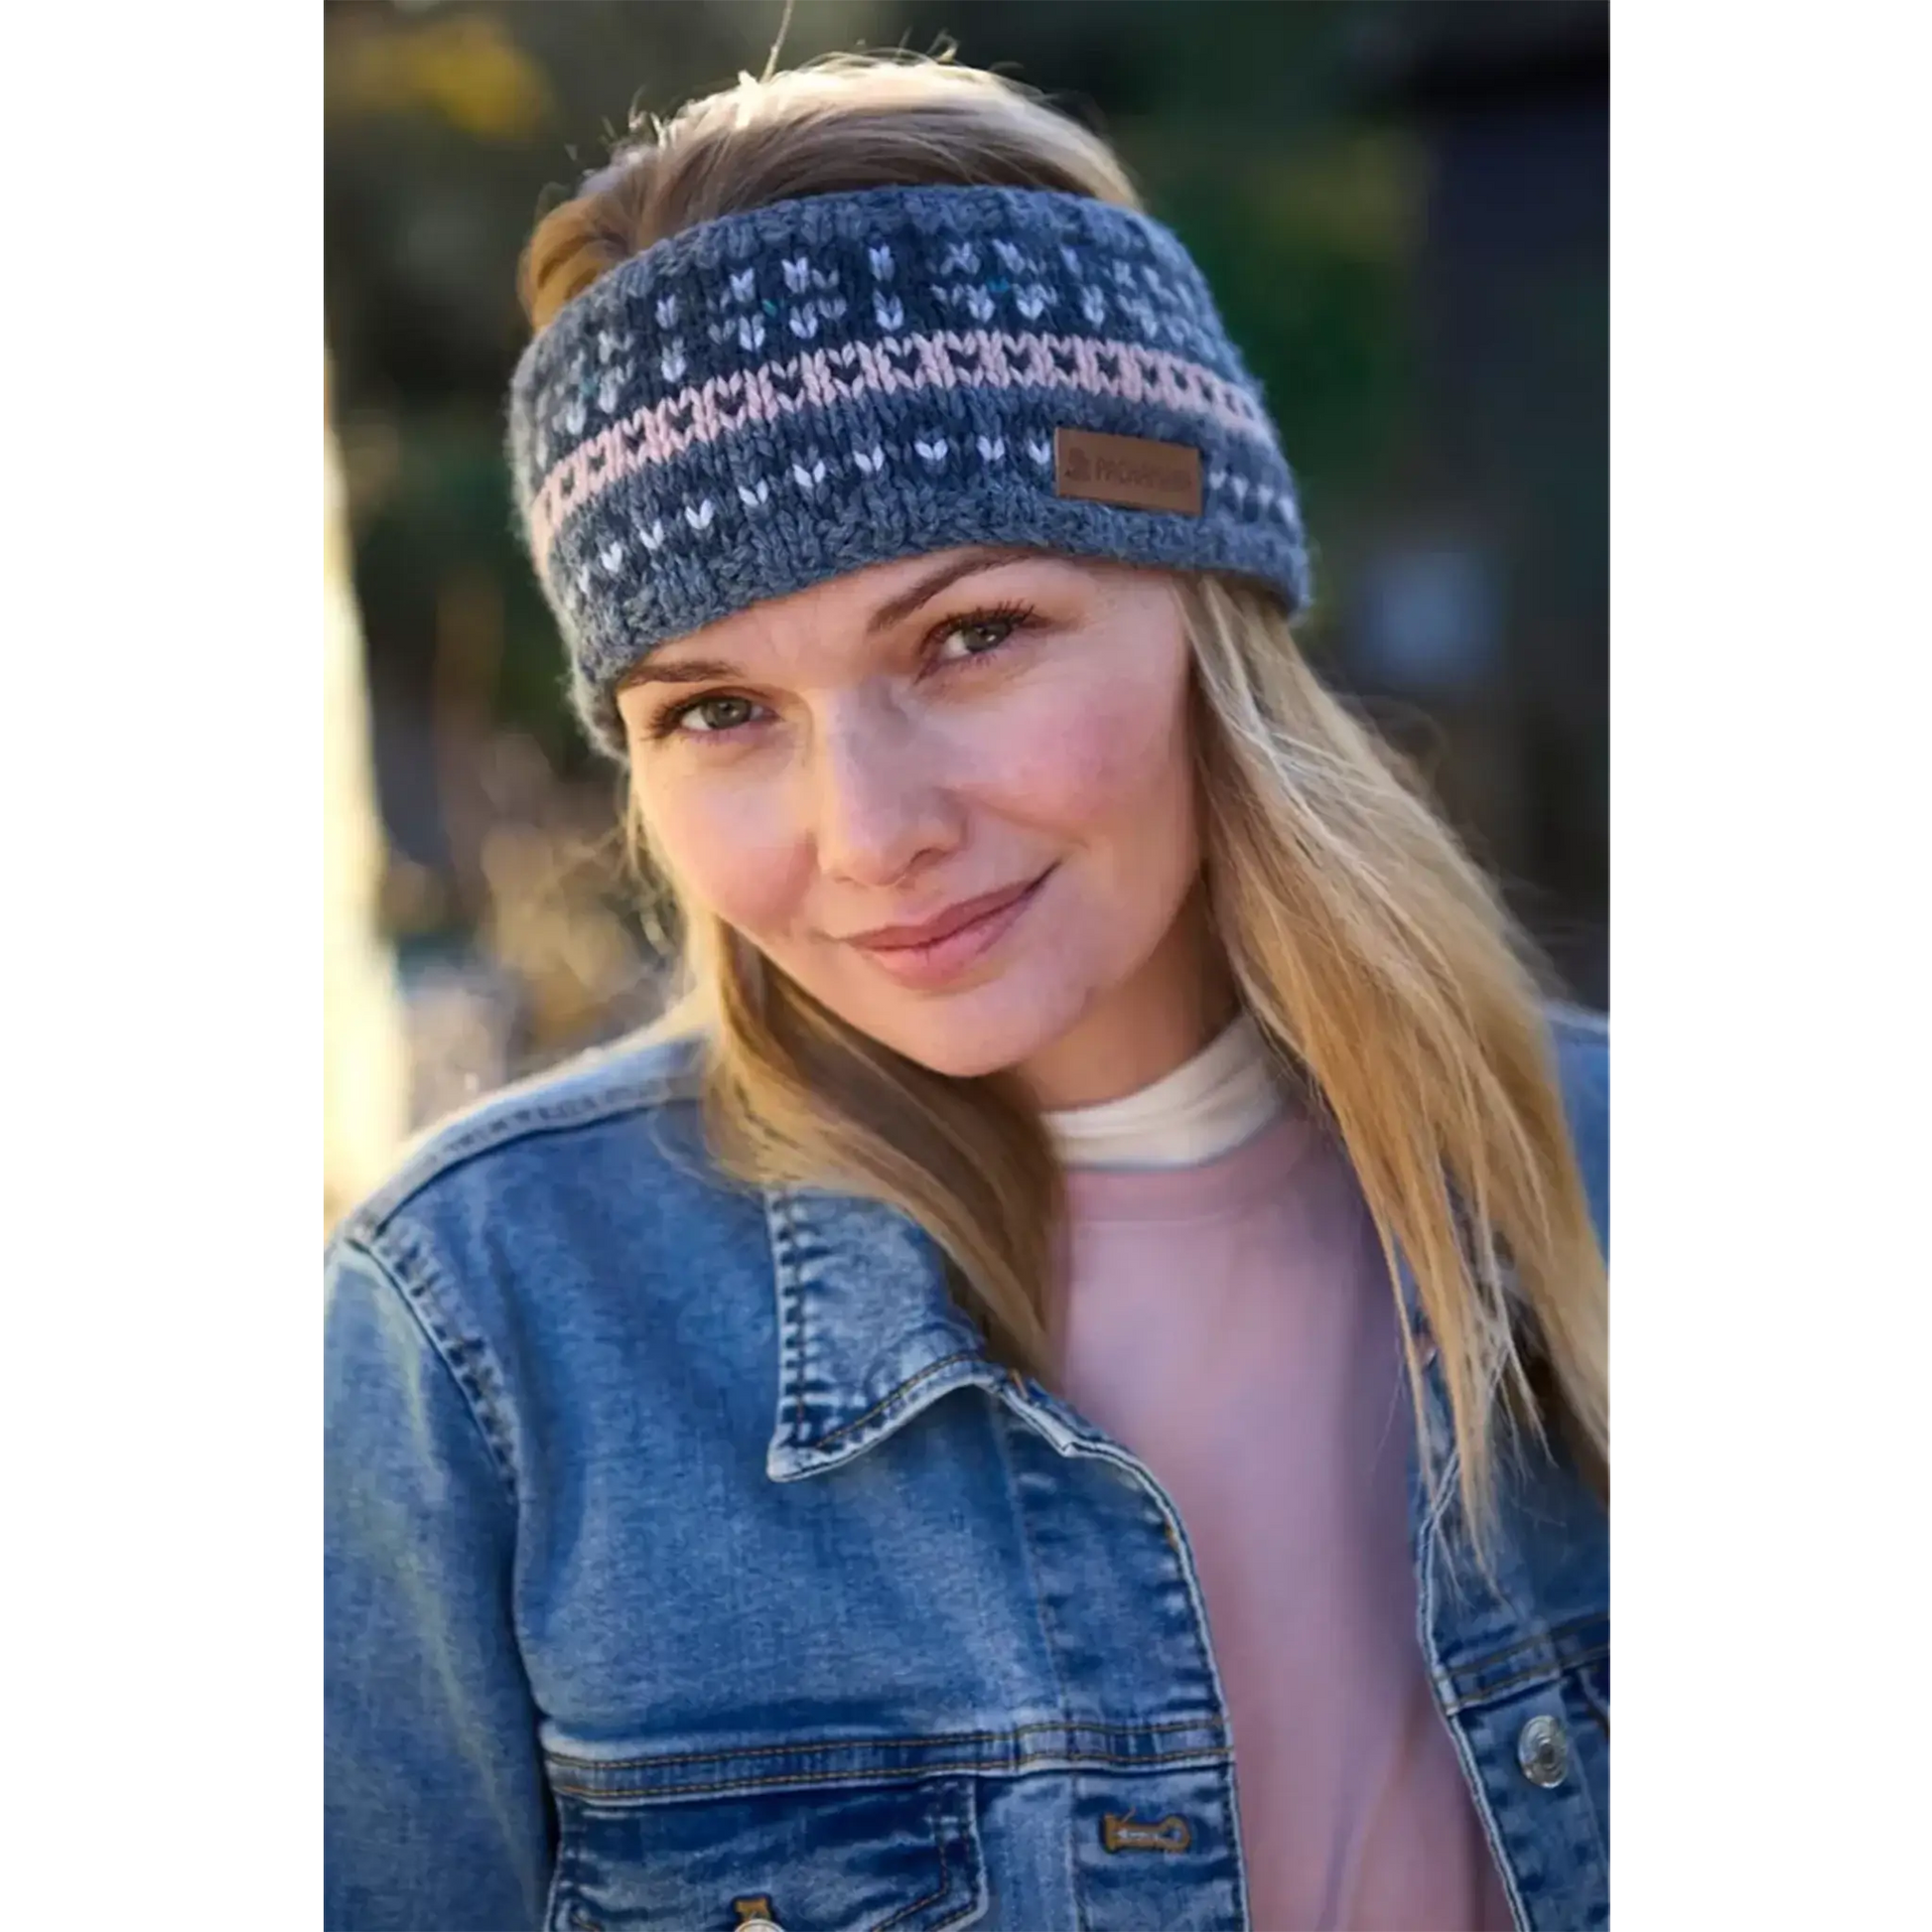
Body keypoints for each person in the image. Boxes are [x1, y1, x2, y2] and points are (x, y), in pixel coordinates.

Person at [321, 53, 1611, 1932]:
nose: (869, 831)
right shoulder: (491, 1333)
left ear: (1208, 606)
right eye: (720, 712)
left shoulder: (1582, 1174)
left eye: (971, 633)